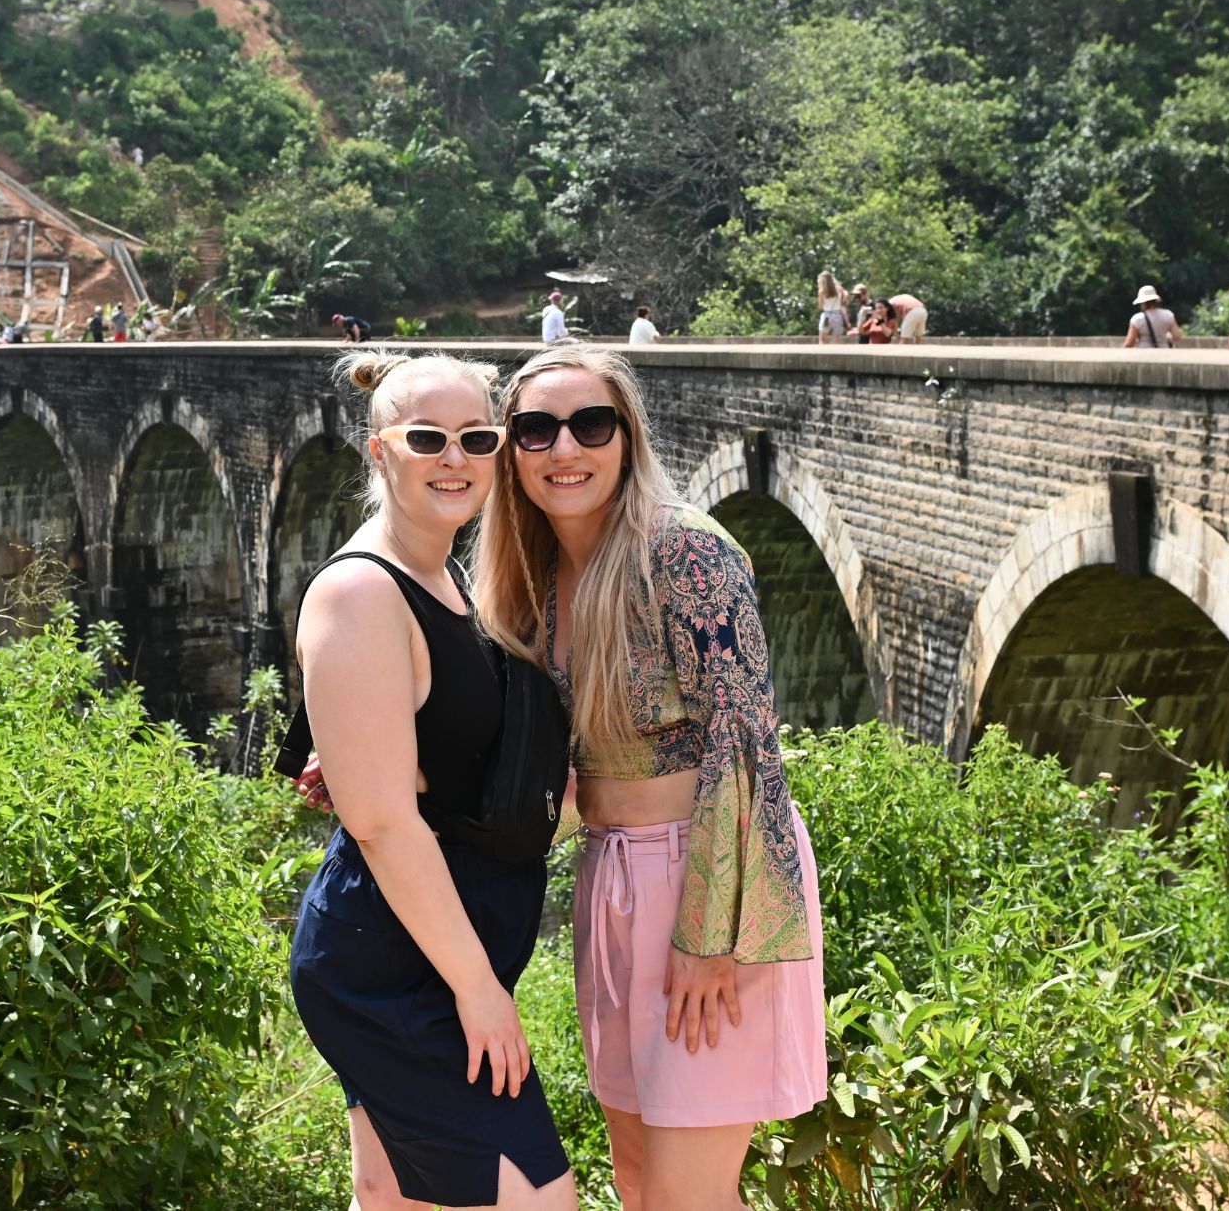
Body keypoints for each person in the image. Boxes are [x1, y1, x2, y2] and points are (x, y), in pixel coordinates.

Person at [473, 345, 827, 1211]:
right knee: (636, 1182)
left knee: (684, 1199)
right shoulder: (537, 575)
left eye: (591, 425)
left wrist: (712, 936)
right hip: (611, 879)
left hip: (710, 885)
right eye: (536, 429)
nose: (566, 450)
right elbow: (521, 754)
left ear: (626, 438)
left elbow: (747, 751)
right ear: (510, 452)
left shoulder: (686, 554)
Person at [290, 351, 576, 1211]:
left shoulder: (444, 575)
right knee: (538, 1199)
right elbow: (381, 823)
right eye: (428, 439)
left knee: (391, 1196)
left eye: (477, 438)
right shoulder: (360, 592)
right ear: (381, 451)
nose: (455, 458)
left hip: (435, 949)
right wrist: (478, 991)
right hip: (398, 966)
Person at [815, 270, 847, 344]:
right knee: (836, 339)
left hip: (827, 315)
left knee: (822, 339)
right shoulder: (839, 290)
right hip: (837, 315)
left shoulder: (822, 292)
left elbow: (820, 306)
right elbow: (845, 296)